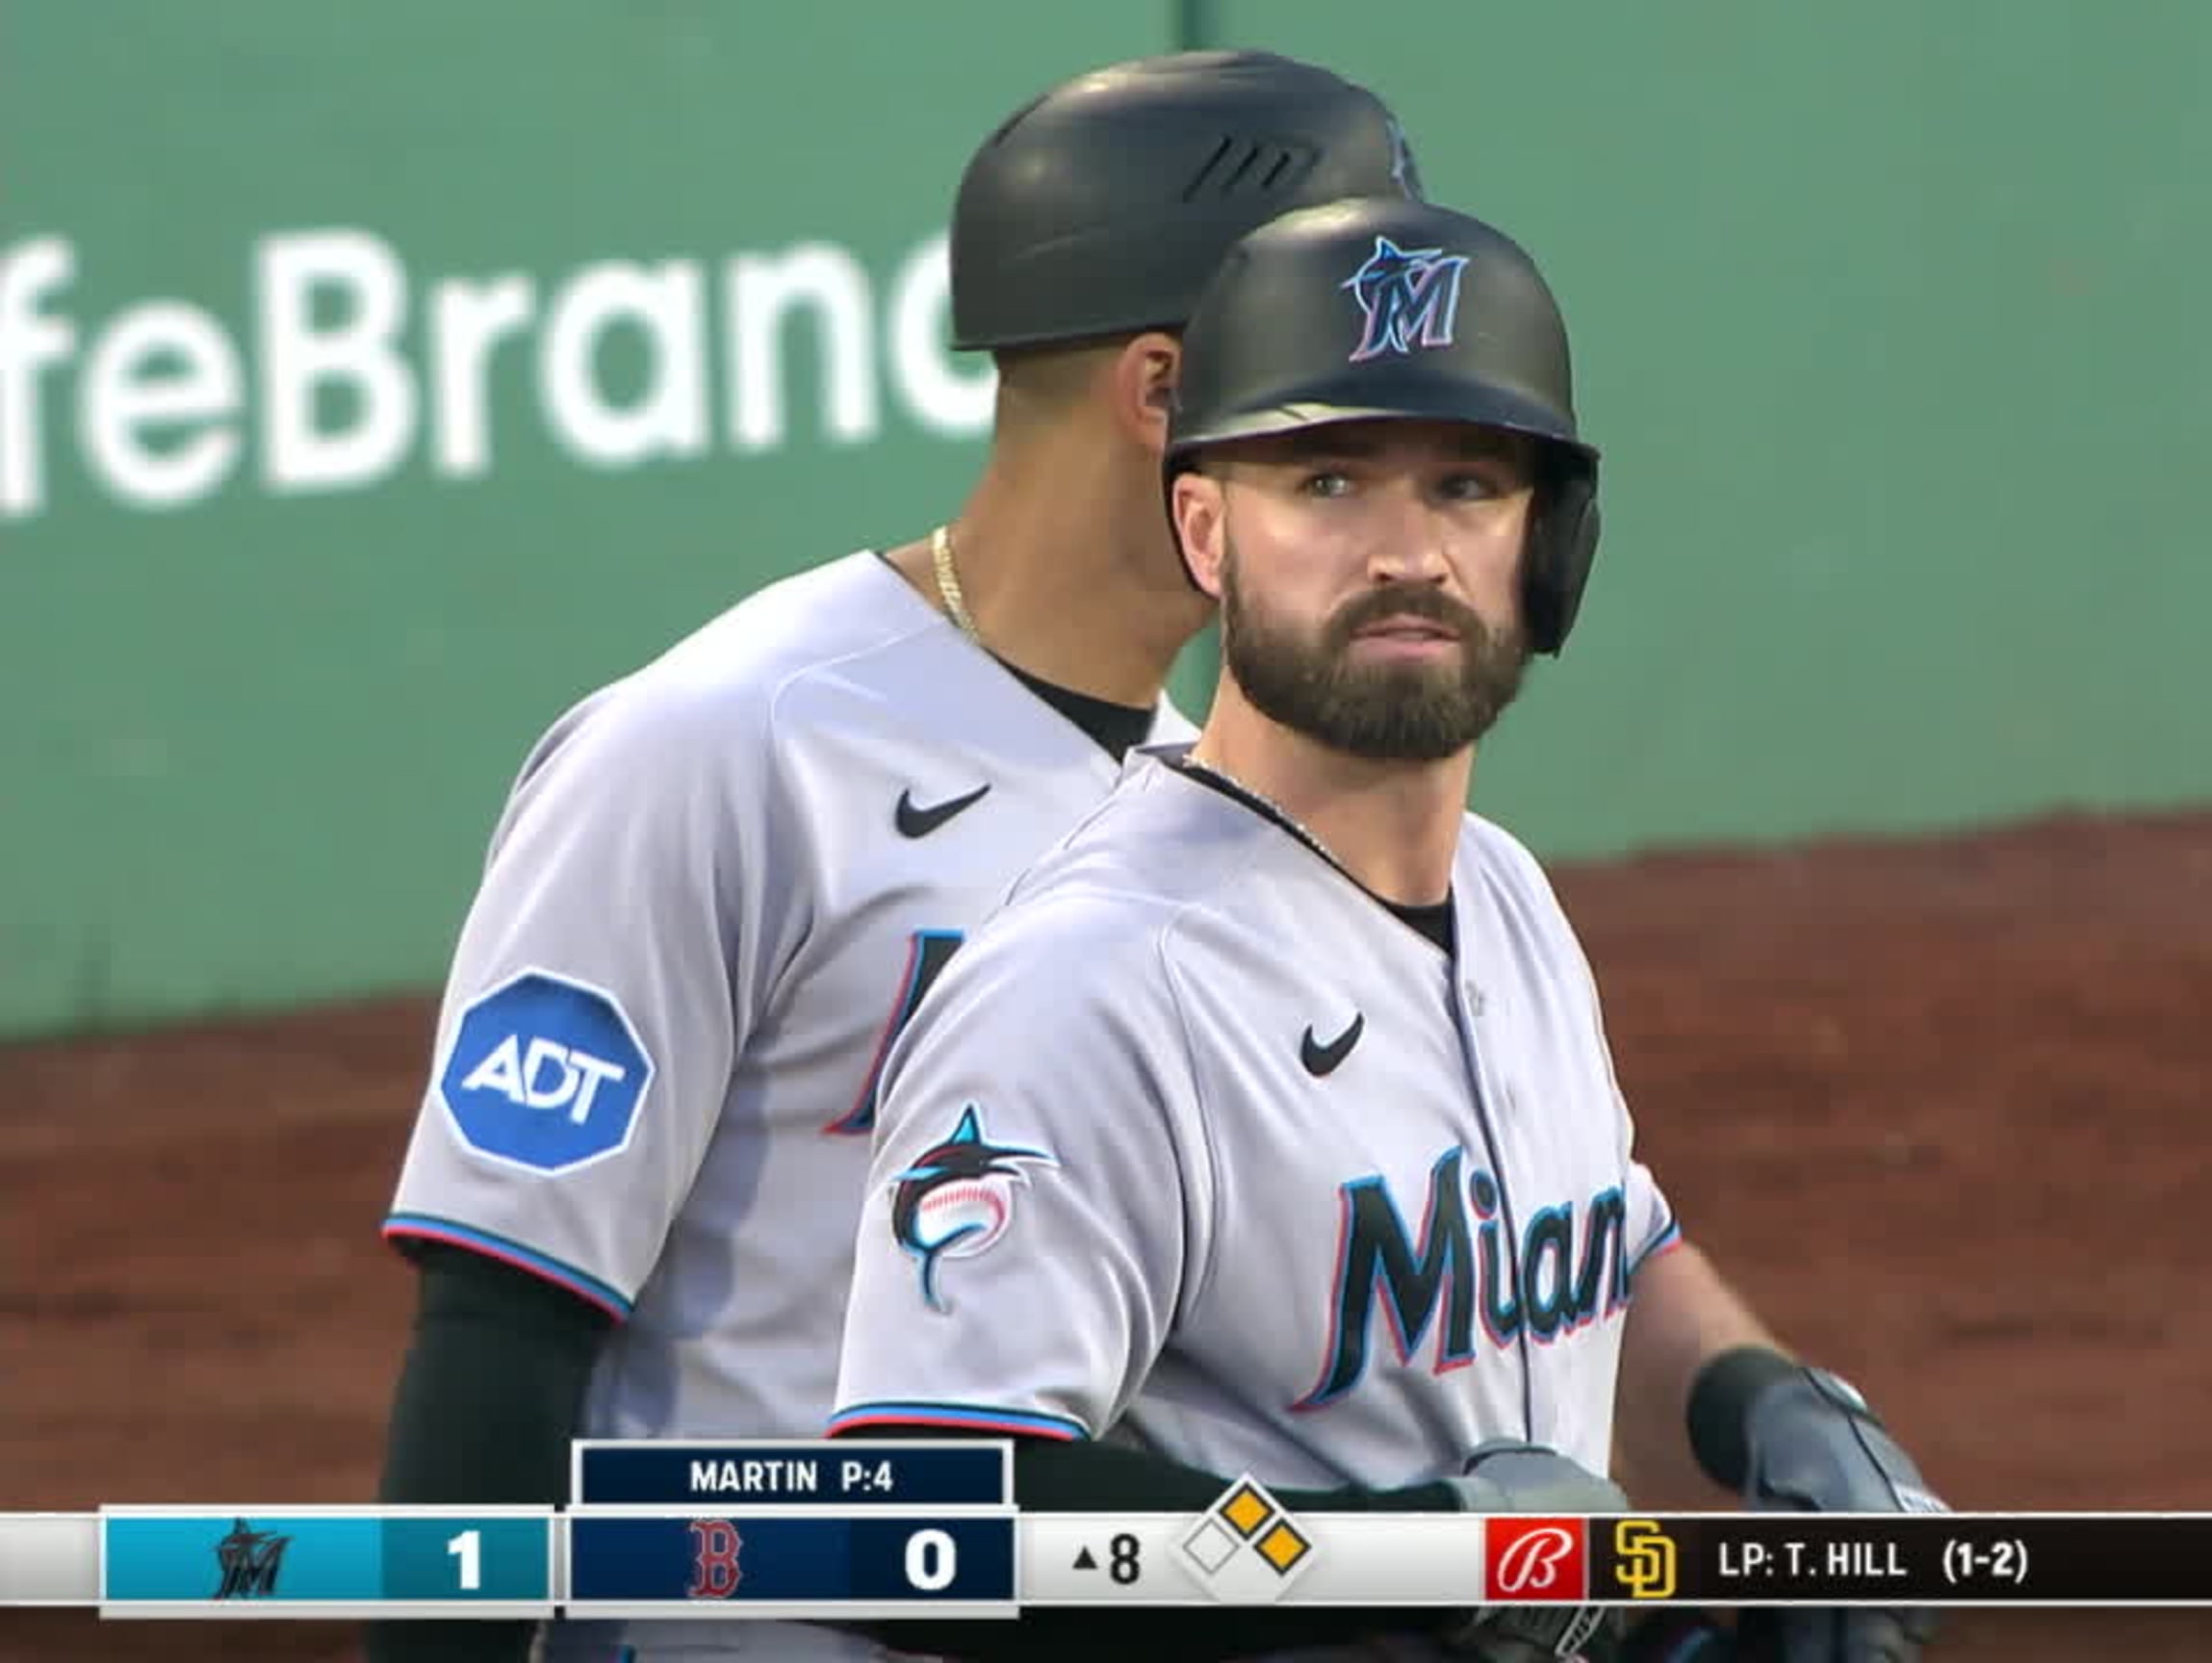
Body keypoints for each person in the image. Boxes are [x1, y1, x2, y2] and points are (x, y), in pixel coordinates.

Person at [364, 51, 1428, 1663]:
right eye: (1345, 399)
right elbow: (498, 1336)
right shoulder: (724, 747)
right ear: (1166, 394)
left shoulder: (1207, 806)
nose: (1405, 470)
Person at [825, 195, 1945, 1663]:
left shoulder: (1507, 902)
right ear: (1206, 530)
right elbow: (919, 1523)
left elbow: (1595, 1246)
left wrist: (1762, 1405)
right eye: (1332, 481)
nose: (1406, 552)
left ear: (1552, 548)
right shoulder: (1096, 988)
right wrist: (1403, 1559)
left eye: (1468, 487)